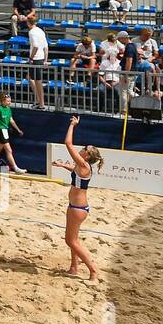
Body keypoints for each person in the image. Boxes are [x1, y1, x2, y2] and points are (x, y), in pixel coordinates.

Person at [51, 116, 102, 281]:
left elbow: (68, 143)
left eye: (84, 149)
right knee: (73, 239)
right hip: (76, 207)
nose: (81, 149)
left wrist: (72, 125)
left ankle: (93, 270)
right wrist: (62, 165)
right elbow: (74, 171)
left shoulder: (84, 165)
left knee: (70, 241)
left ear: (86, 156)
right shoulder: (82, 167)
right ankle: (74, 267)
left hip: (78, 208)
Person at [0, 93, 25, 173]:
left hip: (5, 130)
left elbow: (11, 120)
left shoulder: (8, 109)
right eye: (8, 101)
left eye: (10, 101)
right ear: (2, 101)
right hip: (0, 130)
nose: (9, 103)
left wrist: (18, 130)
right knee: (9, 150)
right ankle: (15, 168)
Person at [27, 15, 49, 108]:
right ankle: (38, 100)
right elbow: (46, 46)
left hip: (36, 59)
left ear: (28, 23)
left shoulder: (32, 32)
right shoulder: (40, 31)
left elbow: (35, 46)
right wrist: (45, 59)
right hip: (41, 57)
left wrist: (31, 58)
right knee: (30, 77)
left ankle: (41, 103)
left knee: (38, 82)